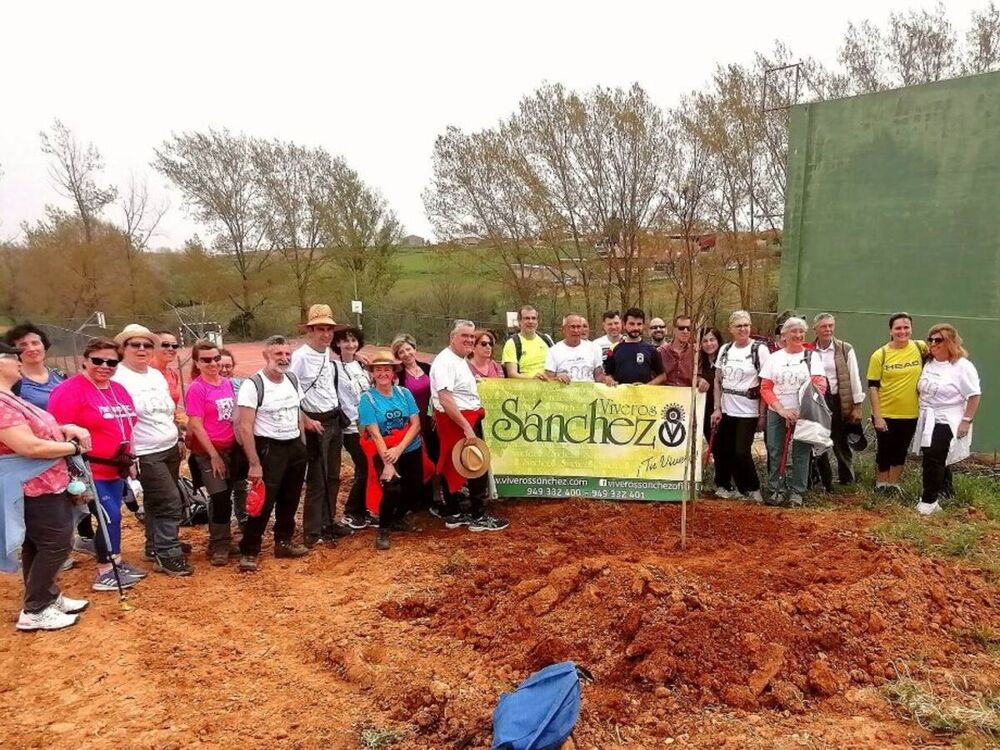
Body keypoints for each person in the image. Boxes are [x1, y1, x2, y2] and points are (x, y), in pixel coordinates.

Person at [0, 341, 92, 631]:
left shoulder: (9, 396)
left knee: (37, 543)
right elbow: (28, 445)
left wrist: (64, 430)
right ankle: (36, 608)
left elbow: (40, 428)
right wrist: (71, 448)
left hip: (45, 482)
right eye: (11, 356)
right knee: (56, 543)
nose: (19, 360)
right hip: (32, 485)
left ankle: (46, 596)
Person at [48, 338, 145, 591]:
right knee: (107, 516)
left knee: (114, 515)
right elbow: (54, 429)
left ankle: (116, 561)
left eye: (112, 362)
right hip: (89, 469)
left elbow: (128, 425)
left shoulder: (118, 389)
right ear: (85, 359)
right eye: (98, 360)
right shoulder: (70, 390)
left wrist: (131, 457)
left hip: (117, 467)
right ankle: (105, 570)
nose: (105, 366)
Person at [112, 324, 192, 576]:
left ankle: (154, 545)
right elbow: (119, 421)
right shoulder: (117, 378)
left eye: (147, 345)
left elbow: (168, 411)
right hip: (145, 451)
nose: (142, 349)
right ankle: (168, 553)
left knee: (157, 500)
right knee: (170, 500)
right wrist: (129, 454)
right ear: (123, 348)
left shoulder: (155, 375)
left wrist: (178, 437)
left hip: (167, 445)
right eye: (135, 344)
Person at [236, 335, 320, 571]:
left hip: (294, 446)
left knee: (290, 498)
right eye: (278, 354)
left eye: (287, 354)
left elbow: (297, 408)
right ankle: (249, 550)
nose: (284, 359)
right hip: (269, 449)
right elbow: (245, 426)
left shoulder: (292, 379)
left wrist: (308, 422)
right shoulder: (253, 385)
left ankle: (283, 541)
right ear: (266, 356)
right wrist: (254, 463)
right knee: (263, 501)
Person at [429, 320, 508, 531]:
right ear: (452, 337)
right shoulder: (444, 361)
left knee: (455, 464)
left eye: (472, 337)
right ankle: (477, 516)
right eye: (465, 336)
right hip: (458, 420)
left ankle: (454, 513)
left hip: (463, 417)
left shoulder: (458, 359)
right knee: (475, 465)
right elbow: (445, 398)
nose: (470, 340)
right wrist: (465, 426)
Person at [289, 304, 349, 547]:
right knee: (317, 478)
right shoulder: (300, 358)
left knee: (333, 475)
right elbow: (290, 391)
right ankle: (312, 531)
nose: (326, 334)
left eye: (329, 329)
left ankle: (328, 520)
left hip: (333, 418)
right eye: (321, 329)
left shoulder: (325, 353)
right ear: (310, 331)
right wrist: (305, 419)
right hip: (316, 421)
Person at [359, 350, 425, 550]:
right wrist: (389, 463)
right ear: (372, 373)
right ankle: (383, 529)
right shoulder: (367, 399)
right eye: (378, 370)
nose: (382, 374)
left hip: (409, 447)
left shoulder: (404, 393)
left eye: (386, 369)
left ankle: (397, 518)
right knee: (392, 486)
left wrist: (400, 448)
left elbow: (416, 424)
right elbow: (375, 433)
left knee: (414, 487)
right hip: (384, 450)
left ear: (394, 372)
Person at [913, 324, 981, 516]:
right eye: (931, 339)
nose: (933, 344)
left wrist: (966, 420)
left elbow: (974, 395)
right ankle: (946, 490)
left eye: (939, 340)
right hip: (928, 416)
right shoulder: (929, 361)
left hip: (948, 417)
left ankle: (929, 501)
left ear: (950, 342)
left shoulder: (962, 366)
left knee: (933, 456)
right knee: (936, 454)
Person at [185, 340, 243, 566]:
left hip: (232, 450)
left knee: (228, 494)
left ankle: (224, 539)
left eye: (216, 358)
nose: (213, 363)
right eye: (206, 360)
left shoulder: (228, 384)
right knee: (219, 497)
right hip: (210, 452)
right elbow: (197, 425)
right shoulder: (197, 389)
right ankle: (219, 543)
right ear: (197, 363)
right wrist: (213, 455)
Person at [759, 317, 827, 507]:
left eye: (801, 332)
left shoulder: (811, 357)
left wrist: (803, 409)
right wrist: (781, 409)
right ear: (784, 335)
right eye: (793, 332)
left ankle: (797, 492)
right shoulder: (774, 358)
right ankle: (776, 489)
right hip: (777, 411)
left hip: (804, 413)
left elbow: (820, 385)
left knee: (801, 452)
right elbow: (765, 387)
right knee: (775, 450)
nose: (797, 335)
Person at [867, 312, 929, 496]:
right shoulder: (881, 354)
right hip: (885, 412)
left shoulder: (921, 348)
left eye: (906, 327)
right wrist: (878, 416)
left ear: (911, 329)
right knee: (884, 450)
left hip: (911, 413)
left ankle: (893, 485)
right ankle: (881, 484)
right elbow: (872, 387)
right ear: (891, 331)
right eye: (898, 328)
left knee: (900, 451)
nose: (902, 331)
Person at [711, 311, 768, 502]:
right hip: (728, 409)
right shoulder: (725, 349)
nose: (743, 329)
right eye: (739, 326)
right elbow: (718, 381)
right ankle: (741, 489)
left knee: (741, 451)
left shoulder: (759, 350)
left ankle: (754, 489)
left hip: (749, 410)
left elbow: (766, 383)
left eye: (746, 325)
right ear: (731, 329)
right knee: (727, 450)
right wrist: (717, 408)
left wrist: (762, 414)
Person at [812, 313, 865, 490]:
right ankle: (822, 481)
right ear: (815, 329)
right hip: (817, 402)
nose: (828, 329)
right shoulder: (808, 350)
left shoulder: (844, 348)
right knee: (818, 441)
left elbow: (854, 377)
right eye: (824, 326)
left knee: (840, 442)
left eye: (830, 326)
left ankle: (847, 481)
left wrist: (857, 405)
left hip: (838, 400)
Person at [393, 334, 439, 514]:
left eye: (408, 349)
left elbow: (438, 392)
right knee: (418, 462)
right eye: (401, 351)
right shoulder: (399, 376)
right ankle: (417, 501)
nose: (406, 354)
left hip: (432, 421)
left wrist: (436, 410)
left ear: (414, 348)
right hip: (412, 424)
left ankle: (435, 498)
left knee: (435, 458)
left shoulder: (428, 369)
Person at [333, 326, 372, 530]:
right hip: (350, 428)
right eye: (346, 340)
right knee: (364, 466)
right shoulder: (332, 367)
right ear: (337, 343)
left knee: (367, 467)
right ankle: (351, 511)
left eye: (354, 340)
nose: (350, 344)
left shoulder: (362, 367)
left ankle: (363, 510)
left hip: (368, 425)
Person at [3, 322, 66, 410]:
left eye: (35, 343)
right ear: (14, 351)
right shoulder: (13, 382)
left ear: (44, 346)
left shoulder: (60, 376)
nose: (31, 349)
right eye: (23, 345)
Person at [218, 347, 248, 527]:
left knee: (240, 483)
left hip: (239, 442)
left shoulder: (242, 385)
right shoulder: (206, 386)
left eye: (228, 365)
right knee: (221, 488)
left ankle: (243, 517)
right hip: (219, 444)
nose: (224, 369)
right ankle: (222, 523)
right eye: (221, 365)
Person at [603, 308, 665, 385]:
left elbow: (662, 376)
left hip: (643, 395)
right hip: (619, 395)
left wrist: (647, 386)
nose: (636, 328)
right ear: (624, 325)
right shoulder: (614, 349)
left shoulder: (651, 349)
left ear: (643, 326)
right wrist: (610, 380)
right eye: (632, 324)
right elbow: (608, 375)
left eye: (639, 324)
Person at [544, 315, 605, 383]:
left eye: (578, 327)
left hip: (590, 391)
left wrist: (606, 379)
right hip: (564, 391)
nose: (576, 330)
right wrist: (557, 378)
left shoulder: (594, 348)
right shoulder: (553, 351)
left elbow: (599, 377)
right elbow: (548, 379)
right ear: (563, 329)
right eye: (572, 327)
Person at [659, 314, 711, 392]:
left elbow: (697, 376)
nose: (685, 331)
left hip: (686, 397)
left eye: (689, 328)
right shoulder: (661, 352)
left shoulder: (696, 352)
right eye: (681, 328)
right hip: (664, 395)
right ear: (674, 330)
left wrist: (701, 381)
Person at [501, 306, 553, 379]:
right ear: (519, 321)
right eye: (527, 318)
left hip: (549, 386)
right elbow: (512, 374)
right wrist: (532, 379)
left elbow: (557, 364)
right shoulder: (512, 343)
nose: (531, 321)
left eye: (533, 318)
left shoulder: (546, 339)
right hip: (525, 388)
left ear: (537, 321)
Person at [699, 327, 723, 442]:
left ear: (718, 341)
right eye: (705, 341)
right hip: (704, 409)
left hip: (722, 409)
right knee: (713, 446)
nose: (709, 344)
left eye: (712, 340)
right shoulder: (699, 363)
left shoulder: (725, 360)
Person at [151, 330, 183, 408]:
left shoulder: (173, 375)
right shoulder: (142, 373)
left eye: (174, 346)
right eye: (165, 345)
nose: (170, 349)